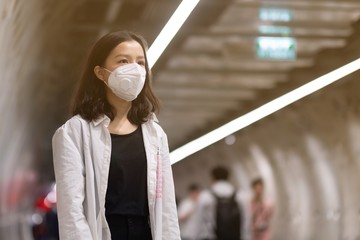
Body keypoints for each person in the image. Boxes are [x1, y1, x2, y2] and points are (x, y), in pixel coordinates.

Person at [52, 30, 180, 240]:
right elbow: (72, 212)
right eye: (123, 61)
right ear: (100, 73)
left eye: (140, 62)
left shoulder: (155, 133)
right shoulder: (74, 133)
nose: (135, 69)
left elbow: (166, 206)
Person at [197, 166, 245, 240]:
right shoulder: (239, 195)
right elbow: (245, 219)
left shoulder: (206, 195)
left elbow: (199, 220)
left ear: (213, 178)